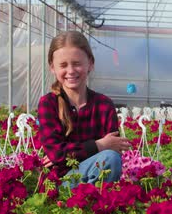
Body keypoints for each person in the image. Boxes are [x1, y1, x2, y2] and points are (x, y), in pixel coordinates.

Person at [38, 31, 131, 187]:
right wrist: (100, 145)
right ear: (52, 67)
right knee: (107, 157)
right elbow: (56, 153)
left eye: (77, 63)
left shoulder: (104, 105)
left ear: (90, 63)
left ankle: (94, 207)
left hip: (97, 176)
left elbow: (113, 150)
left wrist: (63, 156)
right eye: (63, 65)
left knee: (110, 158)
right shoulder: (49, 103)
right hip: (62, 184)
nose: (71, 71)